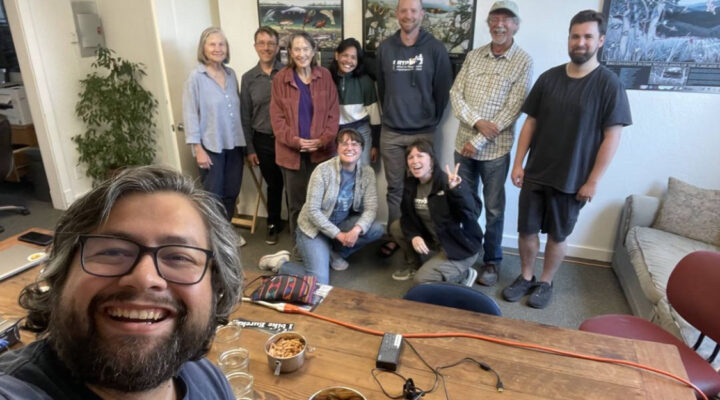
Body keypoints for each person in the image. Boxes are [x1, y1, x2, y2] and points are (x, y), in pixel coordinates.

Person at [0, 166, 243, 399]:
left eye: (179, 257)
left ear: (216, 289)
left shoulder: (208, 379)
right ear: (60, 275)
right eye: (112, 252)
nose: (144, 278)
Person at [506, 10, 632, 309]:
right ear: (569, 39)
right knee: (526, 230)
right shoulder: (549, 78)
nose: (580, 42)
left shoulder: (608, 85)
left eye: (588, 36)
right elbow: (531, 123)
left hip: (573, 178)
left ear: (600, 40)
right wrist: (518, 162)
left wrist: (593, 181)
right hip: (537, 172)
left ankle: (545, 282)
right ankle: (525, 276)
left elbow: (612, 137)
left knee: (558, 236)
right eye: (575, 36)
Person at [449, 0, 533, 287]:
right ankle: (466, 254)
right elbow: (455, 93)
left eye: (507, 19)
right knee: (464, 205)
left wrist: (480, 139)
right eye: (495, 18)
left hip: (495, 151)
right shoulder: (474, 56)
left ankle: (491, 261)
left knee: (495, 209)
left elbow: (514, 108)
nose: (500, 24)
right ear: (488, 23)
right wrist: (476, 124)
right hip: (463, 147)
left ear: (516, 25)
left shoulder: (523, 61)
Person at [376, 0, 453, 263]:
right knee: (395, 189)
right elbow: (382, 89)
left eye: (413, 10)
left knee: (426, 189)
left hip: (423, 132)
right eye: (404, 11)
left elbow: (443, 91)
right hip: (392, 132)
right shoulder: (386, 48)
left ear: (422, 14)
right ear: (397, 14)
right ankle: (402, 241)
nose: (408, 15)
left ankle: (428, 239)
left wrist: (428, 118)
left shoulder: (435, 49)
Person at [258, 129, 384, 285]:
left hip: (340, 223)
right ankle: (281, 263)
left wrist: (356, 230)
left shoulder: (367, 172)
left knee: (376, 229)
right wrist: (339, 235)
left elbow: (371, 208)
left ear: (361, 148)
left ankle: (332, 253)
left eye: (355, 144)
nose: (349, 148)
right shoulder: (323, 170)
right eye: (344, 143)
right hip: (313, 228)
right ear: (337, 148)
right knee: (319, 281)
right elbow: (312, 211)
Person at [271, 31, 339, 248]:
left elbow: (333, 113)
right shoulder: (280, 79)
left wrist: (322, 140)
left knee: (324, 203)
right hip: (292, 155)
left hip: (322, 153)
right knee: (297, 205)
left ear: (313, 50)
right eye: (297, 49)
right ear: (290, 52)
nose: (302, 54)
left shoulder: (325, 76)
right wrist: (296, 141)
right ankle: (300, 247)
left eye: (306, 48)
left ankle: (323, 247)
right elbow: (277, 119)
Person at [183, 27, 247, 247]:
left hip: (235, 143)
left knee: (231, 192)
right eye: (212, 44)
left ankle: (225, 231)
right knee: (212, 196)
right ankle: (212, 239)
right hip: (210, 146)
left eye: (221, 44)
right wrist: (197, 148)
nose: (218, 49)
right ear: (204, 48)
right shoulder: (196, 77)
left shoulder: (231, 75)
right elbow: (190, 113)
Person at [389, 140, 482, 285]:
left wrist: (456, 190)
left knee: (421, 280)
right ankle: (415, 266)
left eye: (420, 156)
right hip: (437, 239)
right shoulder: (411, 183)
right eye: (410, 157)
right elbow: (407, 217)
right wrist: (414, 236)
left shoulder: (448, 182)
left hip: (459, 245)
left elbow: (472, 213)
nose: (415, 161)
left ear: (431, 160)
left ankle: (463, 274)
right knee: (396, 227)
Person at [241, 26, 285, 245]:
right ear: (255, 46)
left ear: (277, 47)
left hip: (287, 140)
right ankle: (274, 222)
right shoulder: (248, 78)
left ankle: (298, 225)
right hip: (263, 140)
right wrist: (249, 148)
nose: (266, 47)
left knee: (295, 184)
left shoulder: (287, 72)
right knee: (274, 184)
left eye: (271, 43)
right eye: (262, 43)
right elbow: (245, 115)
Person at [329, 38, 381, 166]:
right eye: (345, 55)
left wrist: (375, 145)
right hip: (336, 134)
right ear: (336, 55)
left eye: (353, 57)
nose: (349, 61)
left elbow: (375, 117)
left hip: (361, 131)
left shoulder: (365, 81)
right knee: (337, 173)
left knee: (362, 171)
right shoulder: (327, 79)